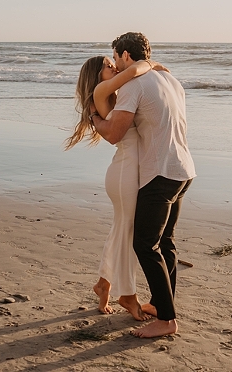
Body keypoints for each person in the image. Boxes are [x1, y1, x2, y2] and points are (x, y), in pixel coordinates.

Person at [91, 32, 196, 338]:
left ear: (125, 55)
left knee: (144, 244)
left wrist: (93, 117)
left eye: (115, 56)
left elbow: (114, 134)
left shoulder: (133, 85)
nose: (115, 64)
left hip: (158, 173)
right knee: (166, 243)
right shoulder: (171, 81)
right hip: (184, 170)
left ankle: (167, 320)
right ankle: (165, 306)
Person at [65, 54, 166, 320]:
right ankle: (128, 295)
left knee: (121, 230)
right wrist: (150, 64)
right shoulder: (101, 91)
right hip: (124, 172)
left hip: (127, 171)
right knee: (128, 233)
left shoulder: (116, 94)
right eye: (107, 66)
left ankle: (104, 285)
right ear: (96, 76)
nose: (113, 68)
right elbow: (134, 71)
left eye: (113, 64)